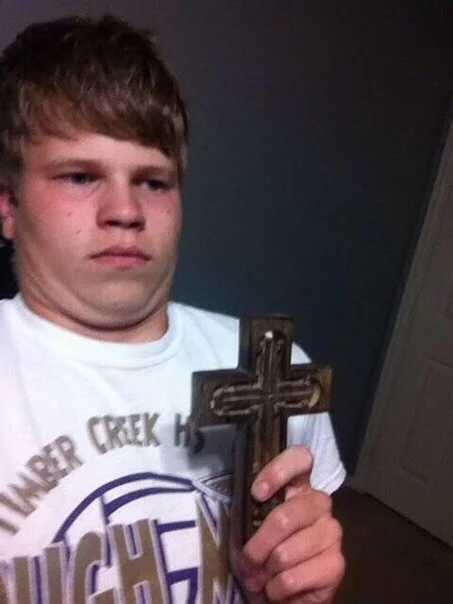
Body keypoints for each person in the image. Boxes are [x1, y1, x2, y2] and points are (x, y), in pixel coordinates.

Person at [0, 15, 346, 604]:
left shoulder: (276, 372)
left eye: (154, 182)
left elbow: (300, 559)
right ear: (8, 206)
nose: (125, 210)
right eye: (80, 176)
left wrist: (298, 585)